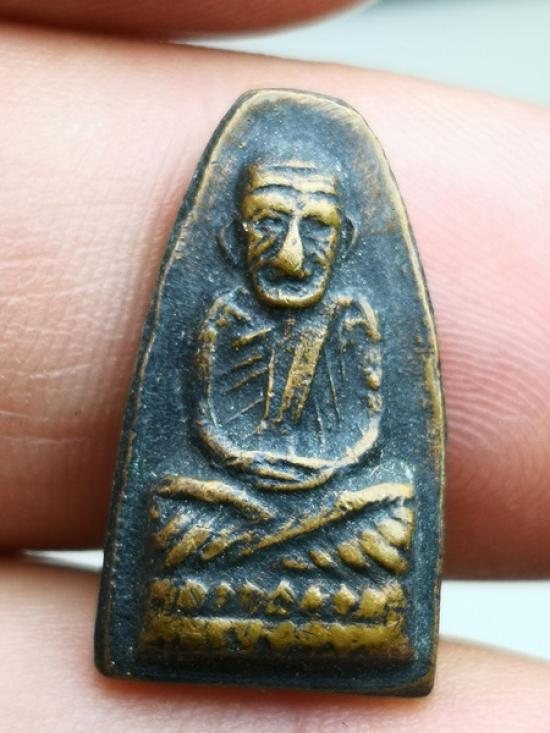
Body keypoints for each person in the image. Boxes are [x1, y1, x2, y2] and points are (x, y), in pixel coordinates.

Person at [1, 1, 550, 730]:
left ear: (344, 238)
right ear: (235, 240)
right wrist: (260, 483)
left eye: (314, 229)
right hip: (234, 505)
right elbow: (210, 426)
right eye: (269, 224)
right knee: (178, 505)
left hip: (328, 506)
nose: (292, 254)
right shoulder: (225, 316)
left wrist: (310, 486)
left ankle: (260, 571)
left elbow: (363, 432)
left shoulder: (353, 320)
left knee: (387, 509)